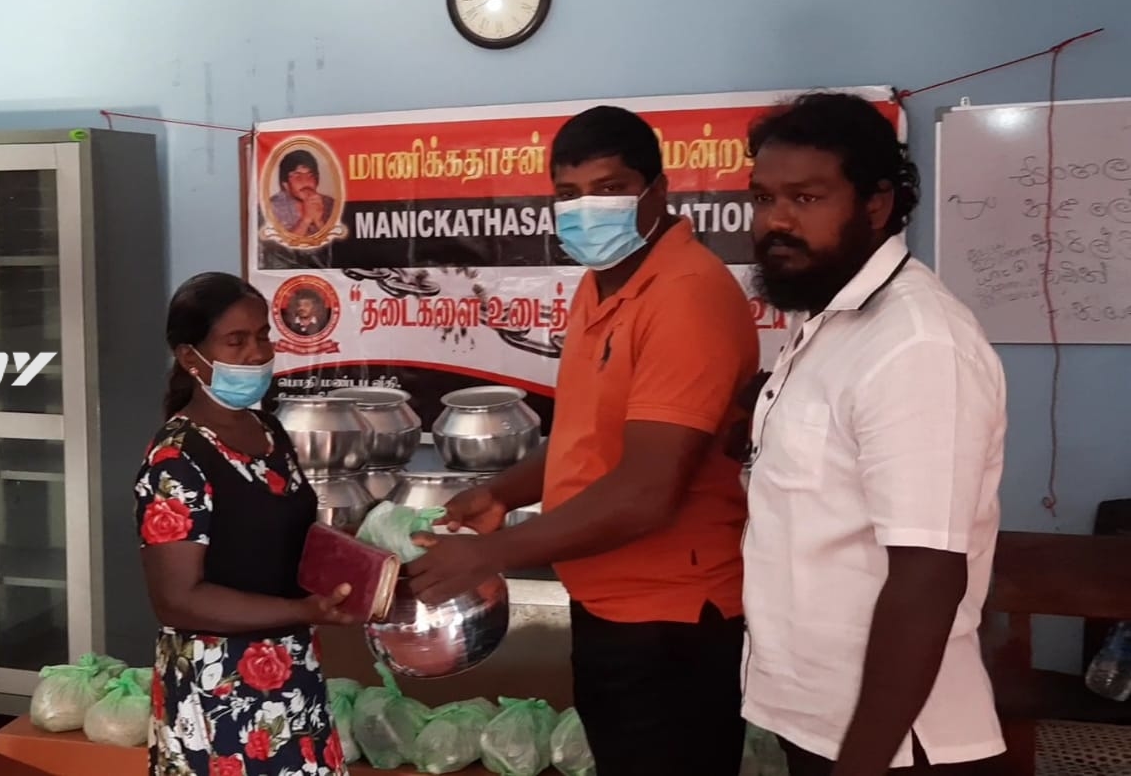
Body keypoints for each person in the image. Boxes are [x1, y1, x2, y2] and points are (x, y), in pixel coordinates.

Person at [405, 105, 761, 776]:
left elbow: (648, 490)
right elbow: (585, 435)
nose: (586, 209)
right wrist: (500, 494)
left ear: (658, 191)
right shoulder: (604, 286)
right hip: (611, 600)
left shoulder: (685, 295)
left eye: (609, 188)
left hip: (670, 619)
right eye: (568, 194)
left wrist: (490, 553)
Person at [741, 92, 1007, 776]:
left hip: (892, 742)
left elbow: (927, 574)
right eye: (764, 197)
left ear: (877, 204)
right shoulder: (828, 321)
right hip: (819, 718)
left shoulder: (915, 343)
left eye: (806, 198)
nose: (775, 220)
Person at [135, 272, 361, 776]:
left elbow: (287, 538)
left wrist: (359, 562)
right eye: (236, 341)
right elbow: (177, 599)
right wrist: (299, 609)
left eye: (262, 336)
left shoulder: (269, 431)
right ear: (190, 356)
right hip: (219, 691)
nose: (257, 354)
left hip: (291, 673)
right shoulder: (176, 460)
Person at [269, 149, 337, 236]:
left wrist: (319, 222)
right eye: (297, 176)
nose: (306, 182)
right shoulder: (271, 208)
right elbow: (278, 243)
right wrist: (306, 219)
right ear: (285, 184)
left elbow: (336, 241)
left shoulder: (330, 204)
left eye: (310, 175)